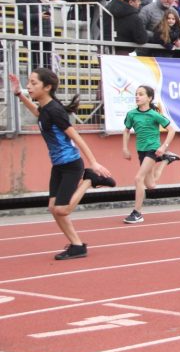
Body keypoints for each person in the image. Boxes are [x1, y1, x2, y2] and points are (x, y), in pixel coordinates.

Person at [9, 69, 115, 260]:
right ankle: (77, 246)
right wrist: (19, 94)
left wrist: (93, 163)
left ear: (47, 87)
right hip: (58, 165)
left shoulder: (55, 111)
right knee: (53, 208)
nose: (28, 86)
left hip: (71, 165)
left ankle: (89, 181)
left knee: (62, 209)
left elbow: (76, 137)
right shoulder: (46, 108)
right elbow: (37, 113)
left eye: (33, 83)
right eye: (29, 83)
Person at [122, 85, 180, 224]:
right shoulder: (131, 114)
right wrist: (125, 148)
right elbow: (126, 131)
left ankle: (137, 213)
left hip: (153, 149)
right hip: (141, 150)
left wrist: (163, 146)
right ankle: (166, 160)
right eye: (136, 94)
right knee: (151, 185)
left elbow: (171, 130)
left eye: (141, 94)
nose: (137, 96)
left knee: (138, 179)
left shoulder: (154, 114)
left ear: (149, 98)